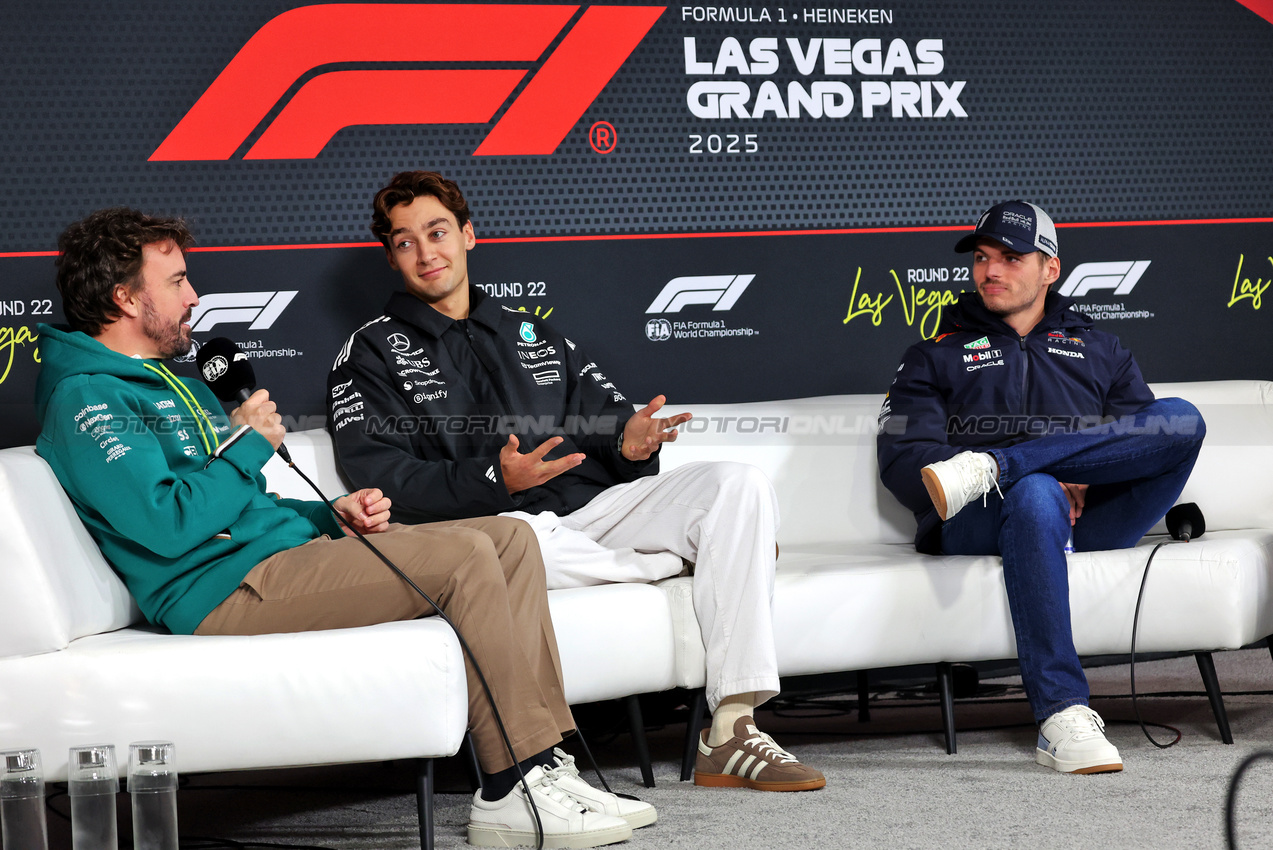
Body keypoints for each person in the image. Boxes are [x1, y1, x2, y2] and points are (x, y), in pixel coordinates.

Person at [35, 207, 654, 848]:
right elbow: (166, 524)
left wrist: (328, 516)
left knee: (511, 537)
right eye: (178, 282)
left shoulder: (162, 382)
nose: (194, 296)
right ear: (125, 297)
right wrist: (248, 446)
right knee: (468, 555)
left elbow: (240, 509)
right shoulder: (89, 396)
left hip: (267, 562)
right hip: (216, 591)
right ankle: (510, 788)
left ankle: (549, 759)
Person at [327, 171, 825, 792]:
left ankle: (731, 727)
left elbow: (608, 422)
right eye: (406, 242)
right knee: (515, 549)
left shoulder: (530, 331)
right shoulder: (369, 351)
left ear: (468, 235)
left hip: (587, 518)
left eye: (437, 232)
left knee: (738, 485)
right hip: (494, 533)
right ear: (391, 256)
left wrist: (630, 440)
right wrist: (493, 479)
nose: (427, 253)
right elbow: (383, 476)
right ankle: (699, 558)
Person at [876, 200, 1205, 774]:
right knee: (1033, 494)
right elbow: (905, 463)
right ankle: (1062, 714)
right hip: (981, 517)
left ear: (1050, 268)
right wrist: (1040, 478)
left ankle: (1002, 465)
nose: (990, 271)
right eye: (981, 258)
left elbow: (1145, 441)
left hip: (1092, 515)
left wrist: (1059, 468)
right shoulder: (934, 355)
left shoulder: (1102, 350)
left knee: (1182, 419)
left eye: (1010, 257)